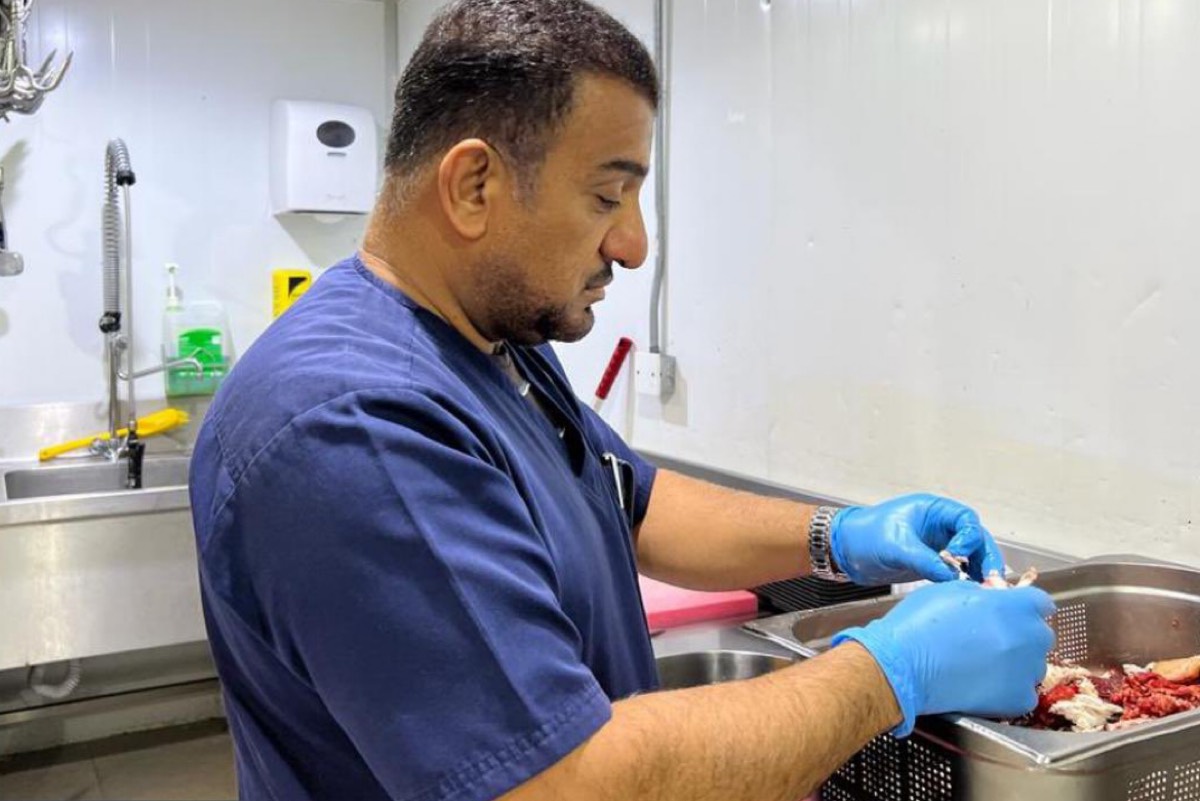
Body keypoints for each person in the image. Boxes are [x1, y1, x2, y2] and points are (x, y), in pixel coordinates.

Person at [188, 1, 1055, 799]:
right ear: (474, 186)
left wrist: (840, 537)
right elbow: (557, 783)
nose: (635, 245)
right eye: (608, 196)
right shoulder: (354, 425)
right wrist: (889, 672)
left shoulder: (496, 341)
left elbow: (628, 499)